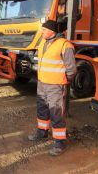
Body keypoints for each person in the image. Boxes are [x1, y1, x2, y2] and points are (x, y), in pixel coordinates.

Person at [28, 20, 77, 156]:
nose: (42, 32)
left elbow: (71, 69)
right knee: (42, 108)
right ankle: (42, 133)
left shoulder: (65, 45)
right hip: (42, 83)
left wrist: (63, 81)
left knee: (56, 112)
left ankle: (59, 142)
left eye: (44, 30)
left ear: (52, 31)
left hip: (56, 85)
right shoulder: (43, 42)